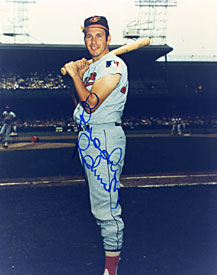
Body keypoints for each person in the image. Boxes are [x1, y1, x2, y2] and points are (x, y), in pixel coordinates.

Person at [63, 15, 128, 275]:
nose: (93, 40)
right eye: (89, 35)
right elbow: (79, 105)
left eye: (99, 35)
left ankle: (111, 270)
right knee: (98, 205)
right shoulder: (92, 68)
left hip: (104, 139)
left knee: (107, 209)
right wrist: (78, 74)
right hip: (87, 136)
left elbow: (91, 103)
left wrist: (75, 75)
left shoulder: (114, 63)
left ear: (108, 38)